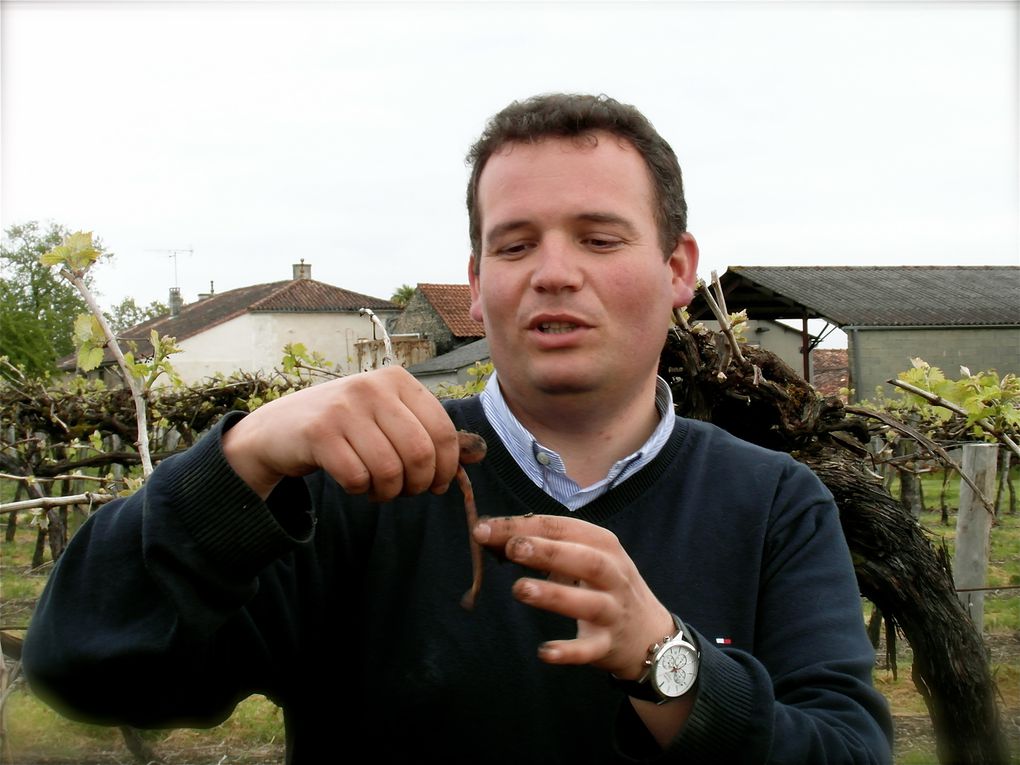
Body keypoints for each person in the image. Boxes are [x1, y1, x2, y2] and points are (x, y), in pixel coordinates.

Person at [23, 93, 893, 764]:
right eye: (515, 246)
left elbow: (849, 750)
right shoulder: (352, 489)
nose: (554, 273)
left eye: (598, 238)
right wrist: (242, 457)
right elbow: (85, 666)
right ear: (476, 287)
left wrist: (670, 662)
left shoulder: (776, 501)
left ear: (676, 269)